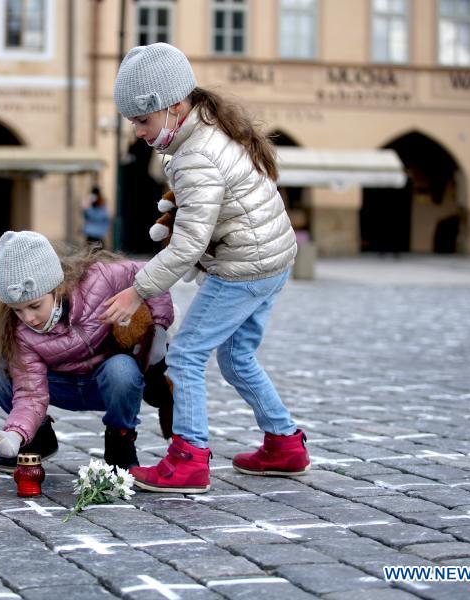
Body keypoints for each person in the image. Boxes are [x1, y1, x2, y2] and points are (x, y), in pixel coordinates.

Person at [101, 43, 309, 494]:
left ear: (175, 107)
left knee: (186, 354)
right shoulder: (205, 129)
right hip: (272, 258)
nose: (136, 131)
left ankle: (189, 458)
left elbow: (189, 242)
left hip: (245, 267)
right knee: (236, 358)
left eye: (142, 120)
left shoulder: (197, 155)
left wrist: (138, 290)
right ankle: (286, 443)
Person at [0, 230, 174, 473]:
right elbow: (30, 393)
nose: (28, 318)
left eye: (34, 305)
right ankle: (38, 439)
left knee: (122, 369)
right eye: (18, 310)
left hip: (109, 383)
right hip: (59, 387)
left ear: (57, 287)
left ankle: (120, 442)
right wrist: (15, 434)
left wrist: (158, 328)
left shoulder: (101, 278)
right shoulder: (20, 331)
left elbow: (153, 275)